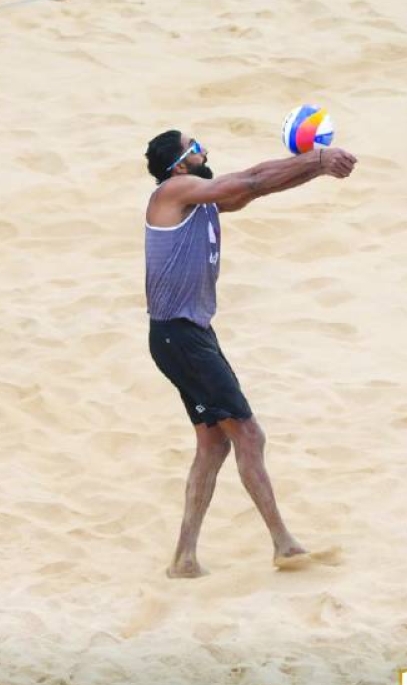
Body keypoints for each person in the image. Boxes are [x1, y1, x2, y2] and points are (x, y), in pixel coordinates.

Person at [144, 129, 357, 578]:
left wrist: (314, 170)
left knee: (213, 443)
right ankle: (284, 543)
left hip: (187, 336)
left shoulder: (199, 202)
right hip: (180, 337)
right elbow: (252, 179)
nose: (205, 149)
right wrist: (317, 158)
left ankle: (184, 559)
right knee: (249, 435)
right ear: (180, 165)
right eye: (195, 146)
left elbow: (260, 188)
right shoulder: (174, 191)